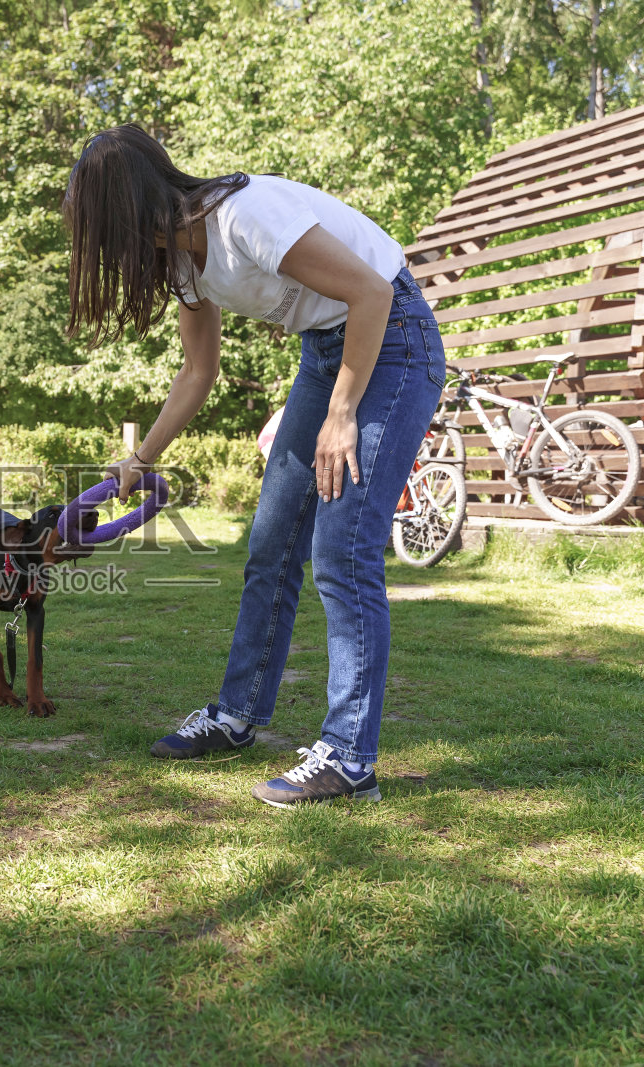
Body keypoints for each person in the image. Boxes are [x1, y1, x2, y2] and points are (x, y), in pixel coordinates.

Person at [63, 125, 445, 808]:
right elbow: (198, 370)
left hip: (393, 344)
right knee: (270, 544)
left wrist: (342, 413)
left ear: (126, 207)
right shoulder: (181, 259)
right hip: (327, 354)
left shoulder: (245, 216)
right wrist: (139, 458)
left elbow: (372, 294)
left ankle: (350, 757)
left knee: (343, 549)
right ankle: (236, 715)